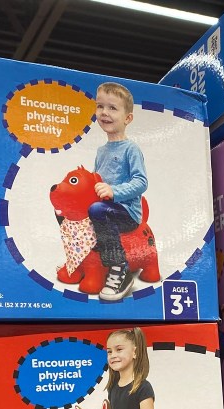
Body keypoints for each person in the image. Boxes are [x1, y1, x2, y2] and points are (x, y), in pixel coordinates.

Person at [89, 82, 148, 301]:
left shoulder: (131, 149)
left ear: (128, 118)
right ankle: (80, 259)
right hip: (104, 207)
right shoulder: (101, 151)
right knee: (72, 212)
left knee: (97, 210)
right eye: (100, 106)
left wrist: (113, 191)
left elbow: (141, 182)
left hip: (126, 213)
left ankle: (120, 268)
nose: (104, 112)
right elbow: (96, 180)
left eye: (112, 108)